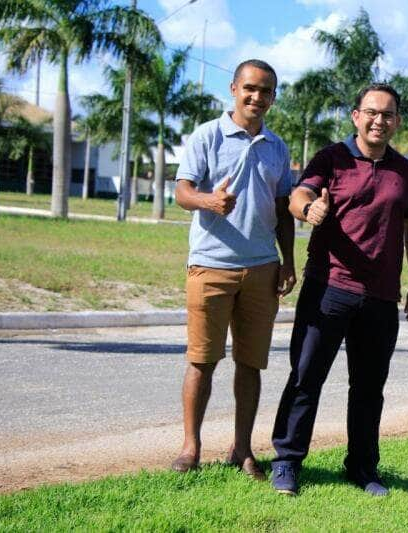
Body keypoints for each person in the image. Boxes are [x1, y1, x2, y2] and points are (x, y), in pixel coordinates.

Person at [270, 83, 408, 497]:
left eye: (388, 114)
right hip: (329, 287)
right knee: (306, 376)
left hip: (380, 297)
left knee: (369, 387)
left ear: (397, 121)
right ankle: (286, 460)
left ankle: (362, 467)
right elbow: (299, 193)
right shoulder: (332, 157)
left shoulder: (407, 172)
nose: (380, 120)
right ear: (356, 116)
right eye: (372, 112)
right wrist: (309, 208)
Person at [171, 59, 296, 479]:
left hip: (262, 269)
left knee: (251, 364)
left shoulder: (278, 148)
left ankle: (242, 450)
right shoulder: (208, 135)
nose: (257, 97)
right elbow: (182, 192)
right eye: (250, 88)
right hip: (211, 266)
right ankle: (191, 447)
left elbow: (282, 211)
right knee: (202, 361)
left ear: (274, 97)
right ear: (233, 89)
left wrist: (288, 262)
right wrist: (209, 201)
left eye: (266, 91)